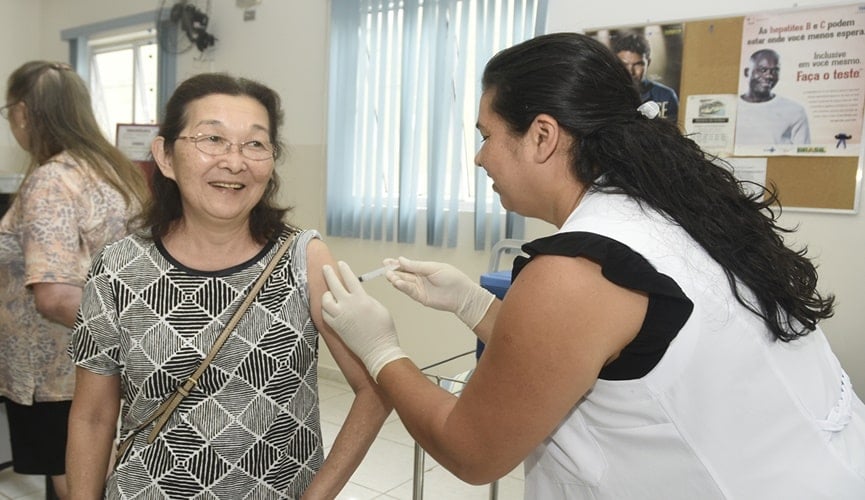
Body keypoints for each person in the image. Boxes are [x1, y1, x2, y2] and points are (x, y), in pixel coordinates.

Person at [320, 33, 865, 499]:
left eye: (486, 136)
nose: (479, 157)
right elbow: (581, 358)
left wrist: (381, 350)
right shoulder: (678, 212)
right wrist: (475, 304)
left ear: (541, 135)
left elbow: (471, 451)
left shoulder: (579, 269)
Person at [66, 73, 390, 499]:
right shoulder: (117, 268)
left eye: (255, 144)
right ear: (165, 156)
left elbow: (375, 388)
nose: (235, 162)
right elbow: (92, 415)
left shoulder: (303, 259)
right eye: (212, 139)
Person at [0, 61, 151, 499]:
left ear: (24, 112)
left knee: (77, 487)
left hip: (54, 375)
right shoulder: (113, 171)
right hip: (100, 373)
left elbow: (54, 296)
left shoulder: (51, 181)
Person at [736, 48, 810, 145]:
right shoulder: (731, 107)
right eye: (763, 70)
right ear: (747, 72)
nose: (769, 76)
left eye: (775, 71)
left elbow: (803, 154)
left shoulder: (794, 110)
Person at [611, 32, 679, 122]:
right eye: (624, 64)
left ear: (648, 63)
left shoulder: (666, 95)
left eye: (637, 64)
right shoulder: (606, 96)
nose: (631, 71)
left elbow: (674, 133)